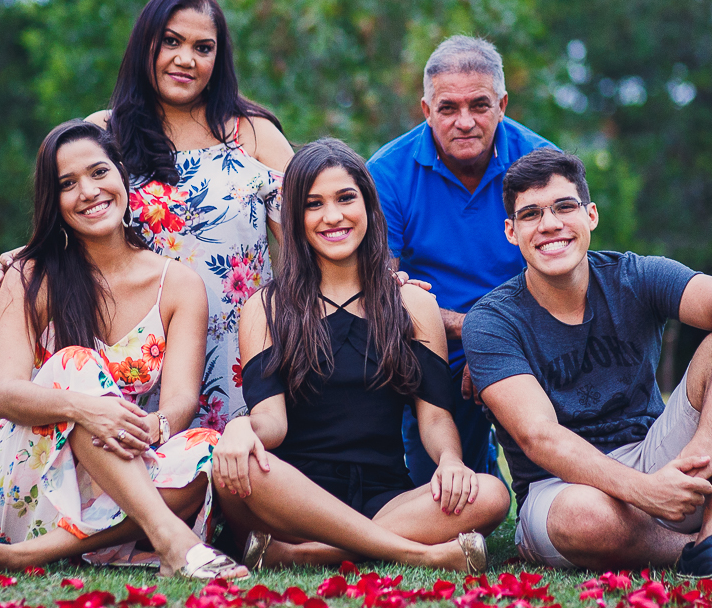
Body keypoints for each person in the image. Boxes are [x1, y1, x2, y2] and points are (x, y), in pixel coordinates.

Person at [463, 148, 712, 585]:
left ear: (590, 215)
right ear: (512, 232)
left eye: (564, 207)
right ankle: (711, 545)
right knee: (585, 518)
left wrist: (710, 436)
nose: (550, 224)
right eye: (531, 214)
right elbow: (541, 437)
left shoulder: (634, 275)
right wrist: (646, 492)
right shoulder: (491, 319)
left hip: (653, 451)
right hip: (560, 489)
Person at [0, 120, 247, 578]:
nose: (88, 191)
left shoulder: (178, 285)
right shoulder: (28, 276)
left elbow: (180, 402)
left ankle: (23, 558)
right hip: (24, 486)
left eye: (99, 172)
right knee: (73, 364)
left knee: (206, 449)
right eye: (67, 184)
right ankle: (170, 539)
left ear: (122, 176)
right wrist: (86, 409)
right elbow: (4, 394)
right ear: (54, 201)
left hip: (119, 478)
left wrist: (150, 426)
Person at [0, 0, 294, 431]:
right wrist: (24, 258)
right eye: (171, 41)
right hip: (136, 359)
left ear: (219, 59)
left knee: (236, 478)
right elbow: (75, 210)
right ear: (145, 44)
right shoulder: (104, 132)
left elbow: (312, 233)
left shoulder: (254, 134)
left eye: (203, 47)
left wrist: (375, 275)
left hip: (243, 351)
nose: (185, 58)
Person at [210, 139, 509, 572]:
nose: (333, 216)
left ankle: (306, 555)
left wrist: (450, 461)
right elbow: (271, 425)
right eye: (314, 204)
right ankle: (413, 552)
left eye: (346, 198)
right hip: (294, 498)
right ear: (295, 217)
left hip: (387, 495)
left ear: (369, 206)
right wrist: (241, 429)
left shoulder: (412, 303)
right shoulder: (265, 307)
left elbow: (435, 417)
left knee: (491, 493)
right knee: (235, 471)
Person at [367, 35, 555, 485]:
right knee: (443, 491)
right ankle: (471, 463)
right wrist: (472, 334)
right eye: (448, 108)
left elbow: (566, 273)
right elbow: (381, 285)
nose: (464, 121)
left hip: (530, 334)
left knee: (559, 481)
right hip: (433, 342)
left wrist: (493, 342)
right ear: (426, 110)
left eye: (479, 105)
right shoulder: (386, 173)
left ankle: (544, 487)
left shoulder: (543, 163)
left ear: (503, 104)